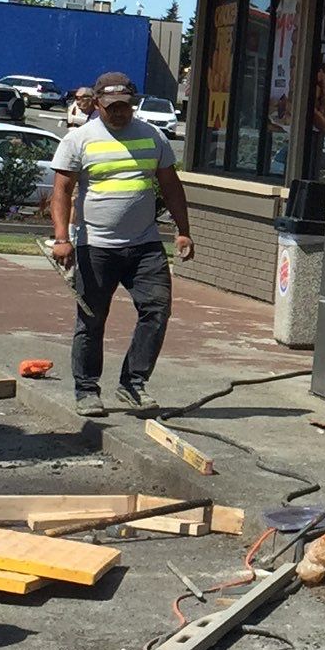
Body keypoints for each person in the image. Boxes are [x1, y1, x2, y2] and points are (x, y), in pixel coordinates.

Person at [47, 70, 193, 416]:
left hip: (144, 245)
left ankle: (133, 384)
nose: (119, 112)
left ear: (134, 103)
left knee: (156, 310)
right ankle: (86, 389)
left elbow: (171, 187)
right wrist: (62, 239)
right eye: (111, 106)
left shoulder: (153, 137)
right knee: (92, 318)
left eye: (125, 105)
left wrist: (183, 230)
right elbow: (62, 191)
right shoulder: (79, 140)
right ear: (96, 104)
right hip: (95, 246)